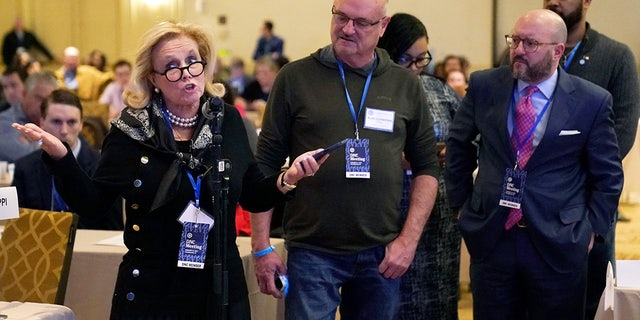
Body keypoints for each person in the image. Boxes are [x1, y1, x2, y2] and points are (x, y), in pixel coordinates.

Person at [12, 21, 322, 319]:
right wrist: (61, 156)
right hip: (152, 291)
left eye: (193, 62)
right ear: (153, 78)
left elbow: (253, 195)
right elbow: (92, 202)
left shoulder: (225, 121)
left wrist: (287, 177)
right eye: (172, 67)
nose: (187, 74)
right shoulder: (131, 132)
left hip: (218, 289)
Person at [250, 0, 440, 319]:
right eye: (341, 17)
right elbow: (264, 166)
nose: (347, 28)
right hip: (311, 251)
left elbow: (427, 168)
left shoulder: (405, 84)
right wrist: (261, 246)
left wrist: (408, 241)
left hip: (381, 252)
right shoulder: (295, 77)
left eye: (361, 22)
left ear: (383, 26)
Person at [446, 9, 623, 319]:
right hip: (493, 236)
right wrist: (461, 205)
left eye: (530, 43)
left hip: (559, 242)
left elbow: (608, 175)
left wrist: (591, 229)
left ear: (557, 51)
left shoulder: (591, 101)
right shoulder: (485, 85)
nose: (518, 50)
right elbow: (458, 145)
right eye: (515, 40)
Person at [542, 1, 640, 318]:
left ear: (586, 2)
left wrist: (573, 175)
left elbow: (622, 131)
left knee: (591, 294)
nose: (553, 1)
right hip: (536, 200)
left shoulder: (616, 56)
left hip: (591, 197)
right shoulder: (529, 49)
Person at [377, 12, 462, 320]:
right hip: (387, 217)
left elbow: (470, 141)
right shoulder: (373, 91)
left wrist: (449, 152)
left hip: (437, 221)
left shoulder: (440, 92)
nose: (415, 68)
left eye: (421, 59)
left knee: (437, 304)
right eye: (406, 60)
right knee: (388, 303)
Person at [12, 89, 124, 230]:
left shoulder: (104, 166)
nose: (64, 130)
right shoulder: (24, 167)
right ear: (42, 123)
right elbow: (16, 225)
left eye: (71, 122)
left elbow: (114, 229)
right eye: (56, 122)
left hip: (88, 248)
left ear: (81, 124)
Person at [0, 71, 58, 162]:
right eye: (39, 98)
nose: (44, 105)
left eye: (49, 101)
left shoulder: (57, 120)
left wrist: (34, 144)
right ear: (24, 94)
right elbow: (28, 157)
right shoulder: (4, 122)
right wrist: (53, 145)